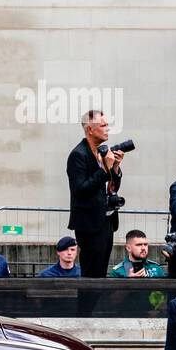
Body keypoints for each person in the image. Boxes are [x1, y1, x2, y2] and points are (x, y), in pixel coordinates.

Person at [66, 109, 126, 278]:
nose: (107, 128)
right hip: (90, 223)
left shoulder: (101, 153)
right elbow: (81, 190)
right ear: (90, 130)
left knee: (101, 273)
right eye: (103, 125)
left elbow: (112, 187)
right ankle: (87, 305)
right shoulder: (78, 155)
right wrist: (103, 168)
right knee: (91, 273)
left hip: (106, 221)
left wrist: (114, 167)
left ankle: (97, 305)